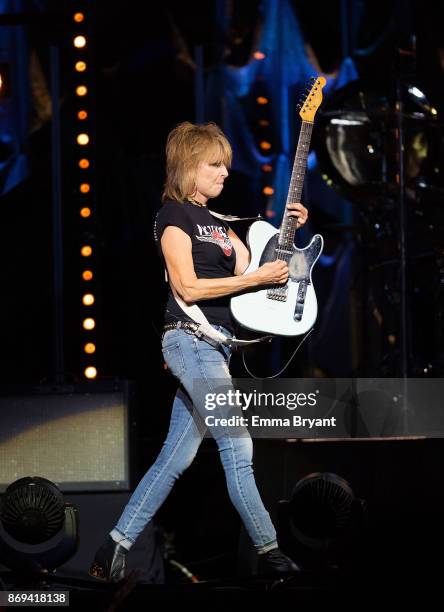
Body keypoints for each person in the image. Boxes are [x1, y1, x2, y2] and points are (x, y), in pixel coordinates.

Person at [89, 121, 309, 582]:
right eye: (215, 164)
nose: (225, 173)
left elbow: (265, 279)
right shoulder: (173, 217)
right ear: (189, 167)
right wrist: (254, 278)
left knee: (176, 458)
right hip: (190, 342)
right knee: (237, 443)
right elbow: (187, 286)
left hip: (217, 349)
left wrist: (289, 234)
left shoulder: (222, 224)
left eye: (226, 165)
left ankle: (112, 547)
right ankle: (271, 553)